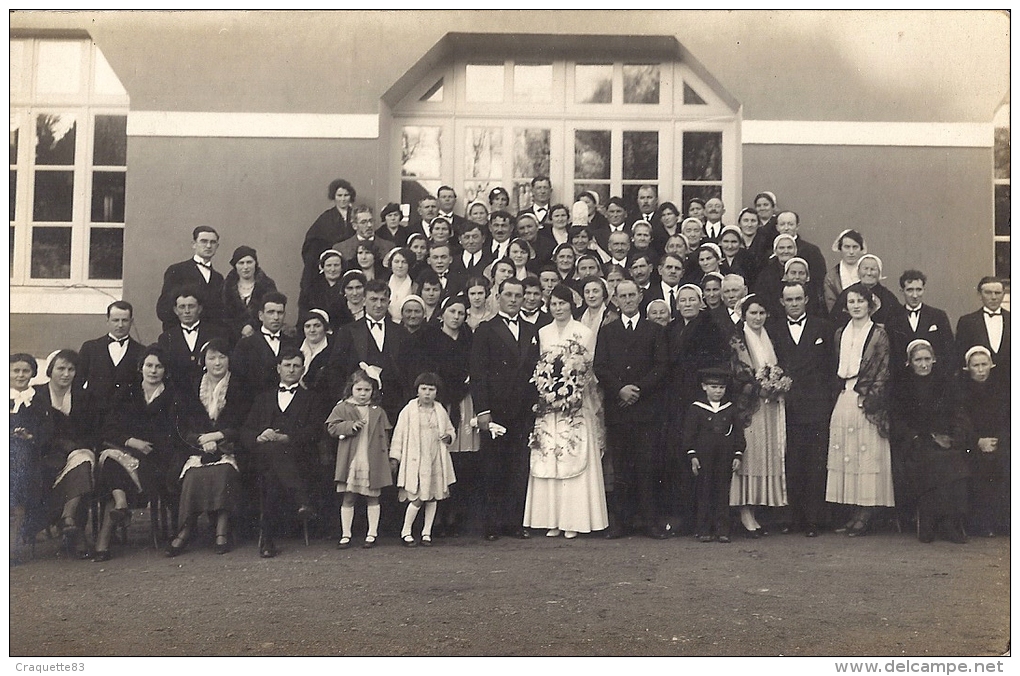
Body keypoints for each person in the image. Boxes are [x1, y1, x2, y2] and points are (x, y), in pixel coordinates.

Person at [523, 284, 609, 539]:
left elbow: (589, 369)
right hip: (550, 405)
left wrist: (572, 389)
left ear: (571, 305)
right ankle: (551, 519)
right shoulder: (543, 332)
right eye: (554, 304)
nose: (558, 308)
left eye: (563, 303)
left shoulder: (584, 332)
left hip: (575, 404)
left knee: (573, 454)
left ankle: (574, 519)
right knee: (549, 456)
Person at [594, 279, 670, 539]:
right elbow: (600, 366)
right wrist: (620, 390)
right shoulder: (608, 331)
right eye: (622, 296)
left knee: (647, 467)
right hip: (619, 409)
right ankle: (621, 523)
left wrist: (637, 389)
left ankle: (651, 522)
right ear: (615, 299)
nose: (627, 300)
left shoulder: (654, 330)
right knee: (622, 469)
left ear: (640, 297)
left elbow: (661, 366)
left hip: (646, 410)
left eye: (631, 295)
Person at [94, 345, 184, 562]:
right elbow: (109, 428)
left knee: (111, 462)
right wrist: (132, 441)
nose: (153, 371)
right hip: (127, 449)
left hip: (157, 458)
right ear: (140, 367)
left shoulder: (173, 396)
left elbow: (175, 432)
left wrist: (148, 446)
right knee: (112, 458)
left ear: (166, 370)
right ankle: (120, 504)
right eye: (149, 365)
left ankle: (105, 537)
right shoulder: (127, 392)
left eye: (159, 366)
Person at [470, 278, 540, 540]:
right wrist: (483, 411)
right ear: (497, 297)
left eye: (518, 295)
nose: (513, 299)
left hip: (524, 409)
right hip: (496, 410)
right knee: (493, 467)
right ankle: (492, 524)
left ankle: (514, 522)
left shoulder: (532, 330)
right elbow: (478, 372)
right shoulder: (486, 330)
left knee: (518, 466)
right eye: (508, 294)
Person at [825, 283, 894, 536]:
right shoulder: (840, 333)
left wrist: (870, 399)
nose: (856, 306)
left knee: (866, 454)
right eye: (851, 301)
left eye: (860, 301)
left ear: (870, 304)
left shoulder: (878, 333)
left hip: (866, 400)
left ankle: (866, 513)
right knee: (847, 454)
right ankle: (853, 511)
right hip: (844, 396)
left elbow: (883, 370)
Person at [168, 338, 248, 557]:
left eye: (222, 357)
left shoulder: (239, 386)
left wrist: (219, 436)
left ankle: (222, 530)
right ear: (204, 361)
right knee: (192, 475)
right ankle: (185, 528)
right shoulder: (192, 386)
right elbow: (182, 423)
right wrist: (201, 439)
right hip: (197, 447)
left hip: (229, 446)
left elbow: (243, 422)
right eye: (212, 358)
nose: (217, 362)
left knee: (224, 471)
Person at [769, 281, 836, 537]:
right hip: (787, 405)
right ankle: (792, 517)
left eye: (798, 299)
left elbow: (832, 367)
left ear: (806, 299)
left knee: (815, 464)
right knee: (791, 462)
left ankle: (812, 520)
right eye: (789, 300)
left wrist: (828, 402)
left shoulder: (823, 328)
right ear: (782, 302)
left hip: (817, 406)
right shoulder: (773, 329)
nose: (794, 304)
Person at [240, 349, 320, 558]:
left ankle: (267, 539)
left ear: (303, 370)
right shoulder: (263, 398)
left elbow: (315, 430)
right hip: (262, 458)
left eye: (296, 366)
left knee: (271, 478)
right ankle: (300, 499)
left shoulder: (311, 398)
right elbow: (246, 431)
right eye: (287, 365)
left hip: (298, 458)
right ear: (278, 368)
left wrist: (288, 438)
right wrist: (259, 436)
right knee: (271, 455)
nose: (291, 369)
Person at [892, 340, 969, 543]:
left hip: (943, 439)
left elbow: (956, 413)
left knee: (951, 458)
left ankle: (945, 521)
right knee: (932, 460)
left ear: (934, 360)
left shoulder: (945, 383)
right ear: (910, 362)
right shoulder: (901, 385)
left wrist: (952, 437)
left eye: (927, 359)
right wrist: (915, 437)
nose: (924, 364)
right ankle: (931, 519)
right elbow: (896, 420)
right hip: (914, 442)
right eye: (918, 360)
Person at [728, 294, 789, 536]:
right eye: (753, 313)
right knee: (749, 454)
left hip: (771, 405)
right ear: (744, 314)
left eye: (762, 313)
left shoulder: (769, 337)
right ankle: (744, 510)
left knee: (766, 454)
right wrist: (758, 387)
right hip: (750, 405)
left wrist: (777, 385)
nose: (757, 317)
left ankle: (757, 507)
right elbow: (738, 372)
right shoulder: (738, 339)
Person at [420, 295, 479, 536]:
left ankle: (456, 516)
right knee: (437, 456)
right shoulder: (430, 338)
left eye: (461, 313)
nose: (456, 317)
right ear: (443, 313)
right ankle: (436, 518)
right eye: (452, 311)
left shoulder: (469, 338)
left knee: (461, 458)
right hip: (440, 401)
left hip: (463, 401)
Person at [36, 350, 96, 558]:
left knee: (84, 459)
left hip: (75, 452)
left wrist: (74, 447)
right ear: (51, 369)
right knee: (83, 464)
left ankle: (69, 519)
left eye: (71, 369)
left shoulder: (83, 396)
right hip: (45, 456)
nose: (66, 373)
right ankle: (73, 528)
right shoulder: (36, 394)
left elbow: (90, 431)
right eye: (61, 368)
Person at [327, 367, 393, 549]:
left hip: (372, 459)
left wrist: (389, 456)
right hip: (352, 459)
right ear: (351, 389)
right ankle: (346, 535)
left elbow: (385, 435)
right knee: (348, 497)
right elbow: (331, 428)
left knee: (373, 498)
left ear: (373, 390)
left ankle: (372, 534)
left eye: (367, 390)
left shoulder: (377, 410)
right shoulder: (343, 407)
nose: (363, 394)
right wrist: (350, 426)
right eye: (359, 390)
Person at [390, 372, 457, 547]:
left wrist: (448, 437)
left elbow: (450, 430)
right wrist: (395, 457)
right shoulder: (409, 410)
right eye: (424, 389)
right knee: (418, 497)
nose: (427, 393)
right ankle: (406, 531)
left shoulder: (440, 409)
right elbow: (399, 434)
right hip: (417, 460)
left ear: (436, 392)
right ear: (417, 390)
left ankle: (427, 532)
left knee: (433, 496)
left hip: (435, 456)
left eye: (431, 389)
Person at [328, 279, 410, 422]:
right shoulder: (348, 331)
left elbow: (407, 370)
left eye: (383, 300)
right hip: (358, 406)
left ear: (389, 303)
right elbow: (336, 368)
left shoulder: (400, 332)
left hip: (394, 405)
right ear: (364, 301)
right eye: (373, 299)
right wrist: (346, 399)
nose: (378, 305)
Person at [684, 367, 744, 543]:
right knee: (704, 492)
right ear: (704, 387)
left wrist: (737, 455)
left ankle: (722, 530)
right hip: (704, 458)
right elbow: (689, 435)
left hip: (724, 457)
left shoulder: (730, 409)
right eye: (713, 387)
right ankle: (703, 529)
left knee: (722, 492)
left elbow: (738, 434)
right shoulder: (696, 409)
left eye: (721, 388)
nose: (718, 391)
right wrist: (692, 456)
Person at [958, 346, 1009, 537]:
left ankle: (1004, 521)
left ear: (991, 365)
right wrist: (978, 441)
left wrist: (999, 441)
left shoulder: (1003, 390)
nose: (980, 370)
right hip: (972, 443)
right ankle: (981, 523)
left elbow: (1009, 419)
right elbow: (960, 423)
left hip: (1000, 441)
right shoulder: (960, 391)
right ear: (967, 368)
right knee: (977, 464)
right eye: (976, 365)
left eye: (984, 364)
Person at [75, 300, 145, 431]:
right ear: (107, 320)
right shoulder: (90, 348)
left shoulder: (142, 351)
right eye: (115, 320)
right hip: (93, 418)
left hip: (126, 420)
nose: (120, 325)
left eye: (125, 320)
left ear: (132, 321)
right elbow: (77, 383)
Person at [10, 354, 50, 558]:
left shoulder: (39, 400)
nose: (20, 375)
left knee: (19, 479)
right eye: (15, 370)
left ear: (33, 373)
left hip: (31, 456)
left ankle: (13, 547)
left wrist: (30, 436)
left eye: (25, 371)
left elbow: (47, 431)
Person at [157, 286, 229, 394]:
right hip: (178, 395)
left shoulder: (216, 333)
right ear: (175, 310)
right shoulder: (166, 338)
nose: (187, 311)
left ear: (199, 309)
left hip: (210, 392)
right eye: (182, 307)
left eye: (191, 306)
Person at [156, 226, 225, 332]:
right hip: (181, 335)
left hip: (209, 336)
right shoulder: (177, 271)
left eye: (213, 242)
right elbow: (164, 309)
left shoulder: (218, 278)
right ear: (194, 244)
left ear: (217, 246)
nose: (208, 246)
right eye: (203, 241)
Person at [884, 269, 955, 373]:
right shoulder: (893, 318)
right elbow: (891, 354)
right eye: (910, 290)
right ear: (901, 291)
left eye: (919, 290)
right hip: (903, 380)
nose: (915, 295)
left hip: (934, 378)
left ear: (924, 290)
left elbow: (949, 350)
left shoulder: (938, 316)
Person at [230, 292, 299, 398]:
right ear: (261, 316)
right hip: (254, 406)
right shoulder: (245, 345)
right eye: (271, 312)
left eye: (280, 313)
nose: (276, 317)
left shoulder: (292, 343)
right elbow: (237, 384)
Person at [301, 178, 356, 291]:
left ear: (350, 196)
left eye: (346, 195)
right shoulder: (326, 217)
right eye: (339, 195)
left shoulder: (357, 214)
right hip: (332, 264)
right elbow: (312, 240)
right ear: (334, 197)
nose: (343, 199)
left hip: (352, 261)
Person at [955, 276, 1010, 383]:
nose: (993, 297)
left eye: (997, 293)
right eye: (988, 293)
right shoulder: (967, 322)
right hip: (978, 387)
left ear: (1004, 294)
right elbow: (960, 356)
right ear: (980, 295)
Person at [221, 245, 278, 345]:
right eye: (241, 263)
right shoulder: (226, 287)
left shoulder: (267, 285)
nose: (245, 267)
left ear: (255, 264)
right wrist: (241, 327)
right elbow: (225, 315)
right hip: (232, 338)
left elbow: (272, 311)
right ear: (235, 266)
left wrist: (252, 326)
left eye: (249, 262)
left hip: (261, 337)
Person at [830, 254, 898, 327]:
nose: (869, 273)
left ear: (879, 272)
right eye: (865, 269)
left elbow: (898, 323)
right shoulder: (847, 293)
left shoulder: (888, 297)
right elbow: (835, 320)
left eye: (873, 269)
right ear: (858, 271)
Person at [298, 250, 354, 333]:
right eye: (328, 265)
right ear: (322, 267)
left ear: (342, 267)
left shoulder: (348, 286)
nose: (332, 269)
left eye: (336, 265)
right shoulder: (312, 288)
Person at [823, 229, 866, 315]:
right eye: (847, 247)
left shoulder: (867, 272)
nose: (851, 252)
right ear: (840, 249)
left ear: (861, 249)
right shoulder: (832, 276)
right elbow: (831, 305)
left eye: (855, 247)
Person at [719, 224, 758, 290]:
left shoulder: (750, 260)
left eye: (734, 242)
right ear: (720, 243)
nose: (730, 246)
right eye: (726, 241)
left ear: (740, 243)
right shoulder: (715, 258)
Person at [384, 247, 416, 322]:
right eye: (396, 261)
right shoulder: (385, 283)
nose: (400, 266)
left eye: (404, 262)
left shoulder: (415, 286)